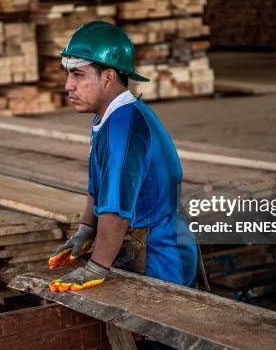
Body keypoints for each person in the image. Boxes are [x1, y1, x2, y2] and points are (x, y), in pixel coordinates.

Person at [47, 21, 198, 294]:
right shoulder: (108, 117)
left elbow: (116, 210)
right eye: (68, 74)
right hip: (140, 246)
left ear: (108, 77)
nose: (68, 85)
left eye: (78, 75)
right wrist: (85, 229)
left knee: (157, 335)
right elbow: (100, 183)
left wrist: (96, 267)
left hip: (160, 258)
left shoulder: (123, 128)